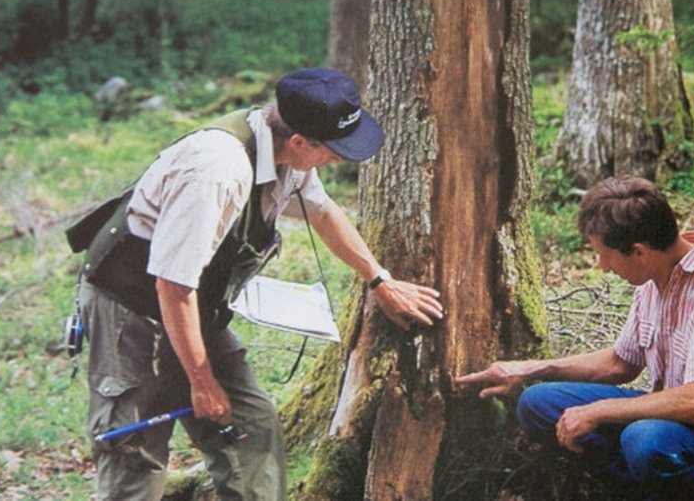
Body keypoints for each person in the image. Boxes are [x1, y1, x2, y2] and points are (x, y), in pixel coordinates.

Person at [69, 67, 445, 500]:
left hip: (195, 305)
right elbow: (172, 286)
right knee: (136, 453)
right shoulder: (217, 172)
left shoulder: (287, 152)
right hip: (132, 308)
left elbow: (322, 211)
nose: (339, 160)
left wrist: (380, 281)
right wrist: (202, 380)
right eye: (334, 151)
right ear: (301, 141)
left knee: (251, 428)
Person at [455, 177, 694, 501]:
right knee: (537, 403)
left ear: (639, 251)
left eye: (606, 256)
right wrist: (530, 368)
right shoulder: (653, 278)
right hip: (669, 422)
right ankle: (646, 492)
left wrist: (597, 411)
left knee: (643, 440)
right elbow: (620, 364)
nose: (602, 266)